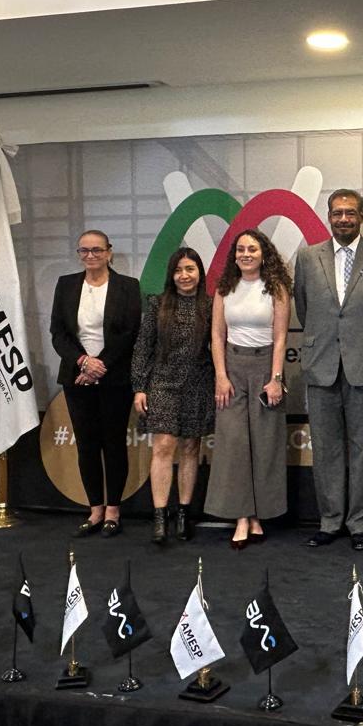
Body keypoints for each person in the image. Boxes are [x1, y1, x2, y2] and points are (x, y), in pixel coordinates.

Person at [293, 189, 363, 552]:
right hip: (321, 364)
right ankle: (330, 521)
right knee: (326, 449)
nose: (343, 219)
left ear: (361, 216)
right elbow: (304, 308)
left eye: (350, 213)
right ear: (329, 217)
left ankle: (362, 524)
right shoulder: (307, 257)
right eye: (337, 213)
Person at [49, 230, 142, 538]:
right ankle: (95, 510)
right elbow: (58, 333)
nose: (90, 255)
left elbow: (130, 333)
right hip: (76, 376)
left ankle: (113, 509)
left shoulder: (128, 287)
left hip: (114, 376)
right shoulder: (66, 285)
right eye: (84, 250)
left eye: (97, 250)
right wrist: (83, 362)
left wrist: (99, 365)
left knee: (113, 443)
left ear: (109, 252)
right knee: (86, 445)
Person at [206, 229, 291, 549]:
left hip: (265, 366)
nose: (246, 254)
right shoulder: (224, 288)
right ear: (234, 255)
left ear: (263, 253)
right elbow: (217, 336)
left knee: (265, 445)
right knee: (234, 445)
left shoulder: (276, 288)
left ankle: (257, 516)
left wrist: (276, 378)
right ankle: (242, 517)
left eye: (252, 249)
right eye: (240, 249)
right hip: (232, 368)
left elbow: (281, 338)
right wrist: (221, 376)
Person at [130, 247, 215, 545]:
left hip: (199, 384)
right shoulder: (158, 304)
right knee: (163, 447)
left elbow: (217, 348)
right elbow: (143, 347)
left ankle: (183, 514)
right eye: (179, 270)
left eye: (190, 269)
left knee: (191, 448)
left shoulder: (210, 306)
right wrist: (139, 387)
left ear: (200, 272)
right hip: (162, 384)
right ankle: (159, 515)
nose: (184, 275)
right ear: (171, 275)